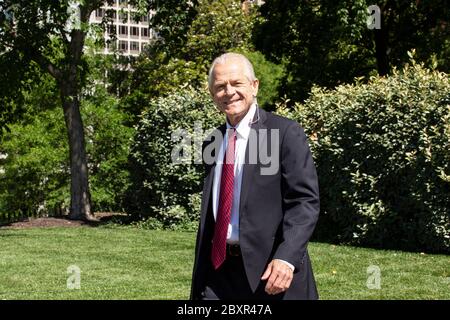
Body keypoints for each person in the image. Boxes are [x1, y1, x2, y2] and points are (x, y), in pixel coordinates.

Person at [190, 52, 320, 300]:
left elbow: (304, 202)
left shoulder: (285, 133)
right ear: (212, 95)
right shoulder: (212, 141)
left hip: (271, 271)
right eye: (220, 86)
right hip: (220, 273)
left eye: (237, 83)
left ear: (254, 86)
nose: (229, 92)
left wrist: (286, 256)